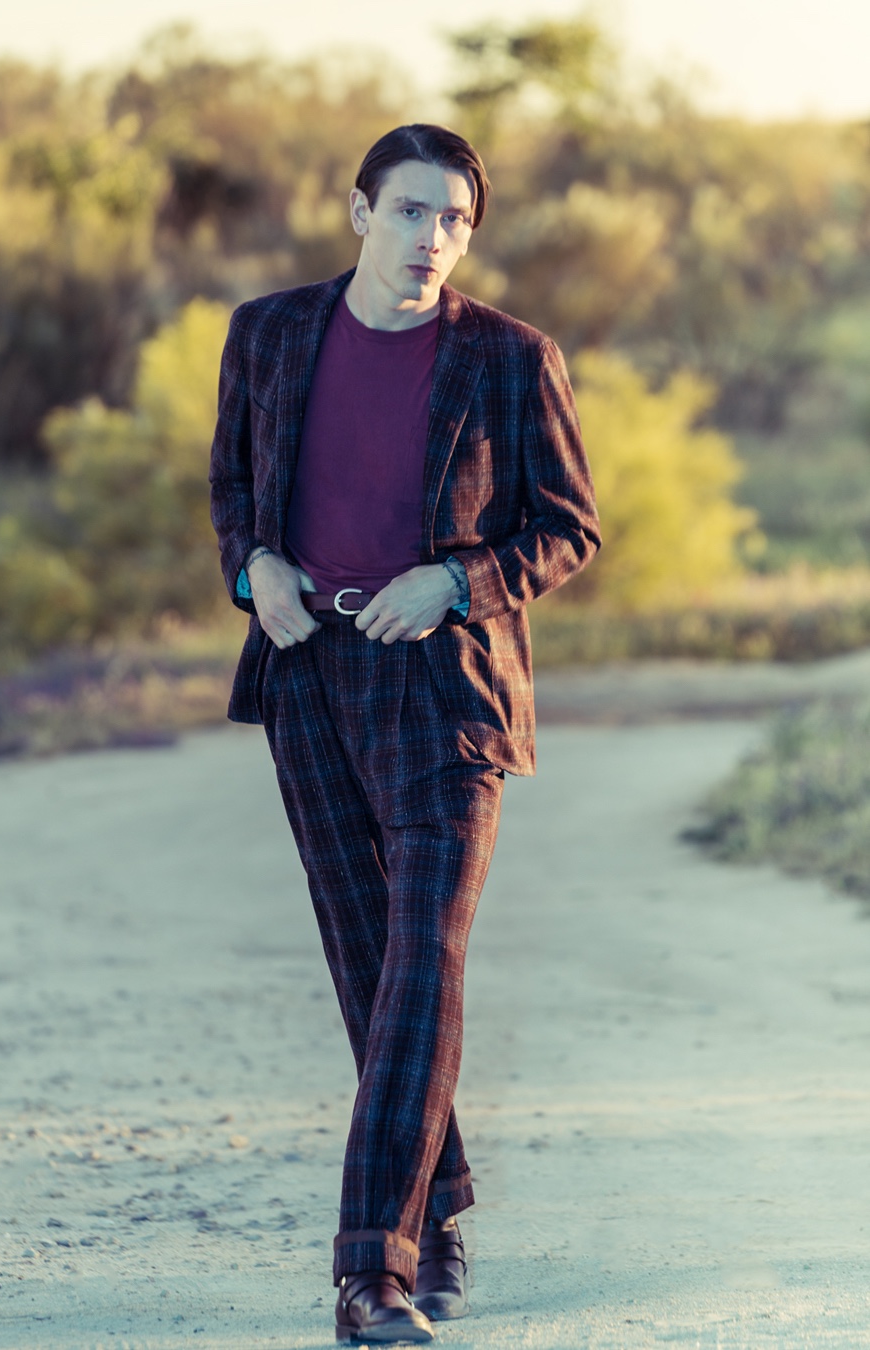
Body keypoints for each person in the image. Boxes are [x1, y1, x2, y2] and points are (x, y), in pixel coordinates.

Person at [209, 123, 600, 1344]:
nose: (433, 237)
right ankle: (438, 1213)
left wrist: (457, 581)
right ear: (360, 212)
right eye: (412, 211)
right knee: (374, 968)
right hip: (310, 676)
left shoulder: (511, 358)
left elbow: (569, 528)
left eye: (456, 220)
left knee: (425, 959)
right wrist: (254, 570)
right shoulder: (268, 334)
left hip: (449, 690)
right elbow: (232, 490)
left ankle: (369, 1271)